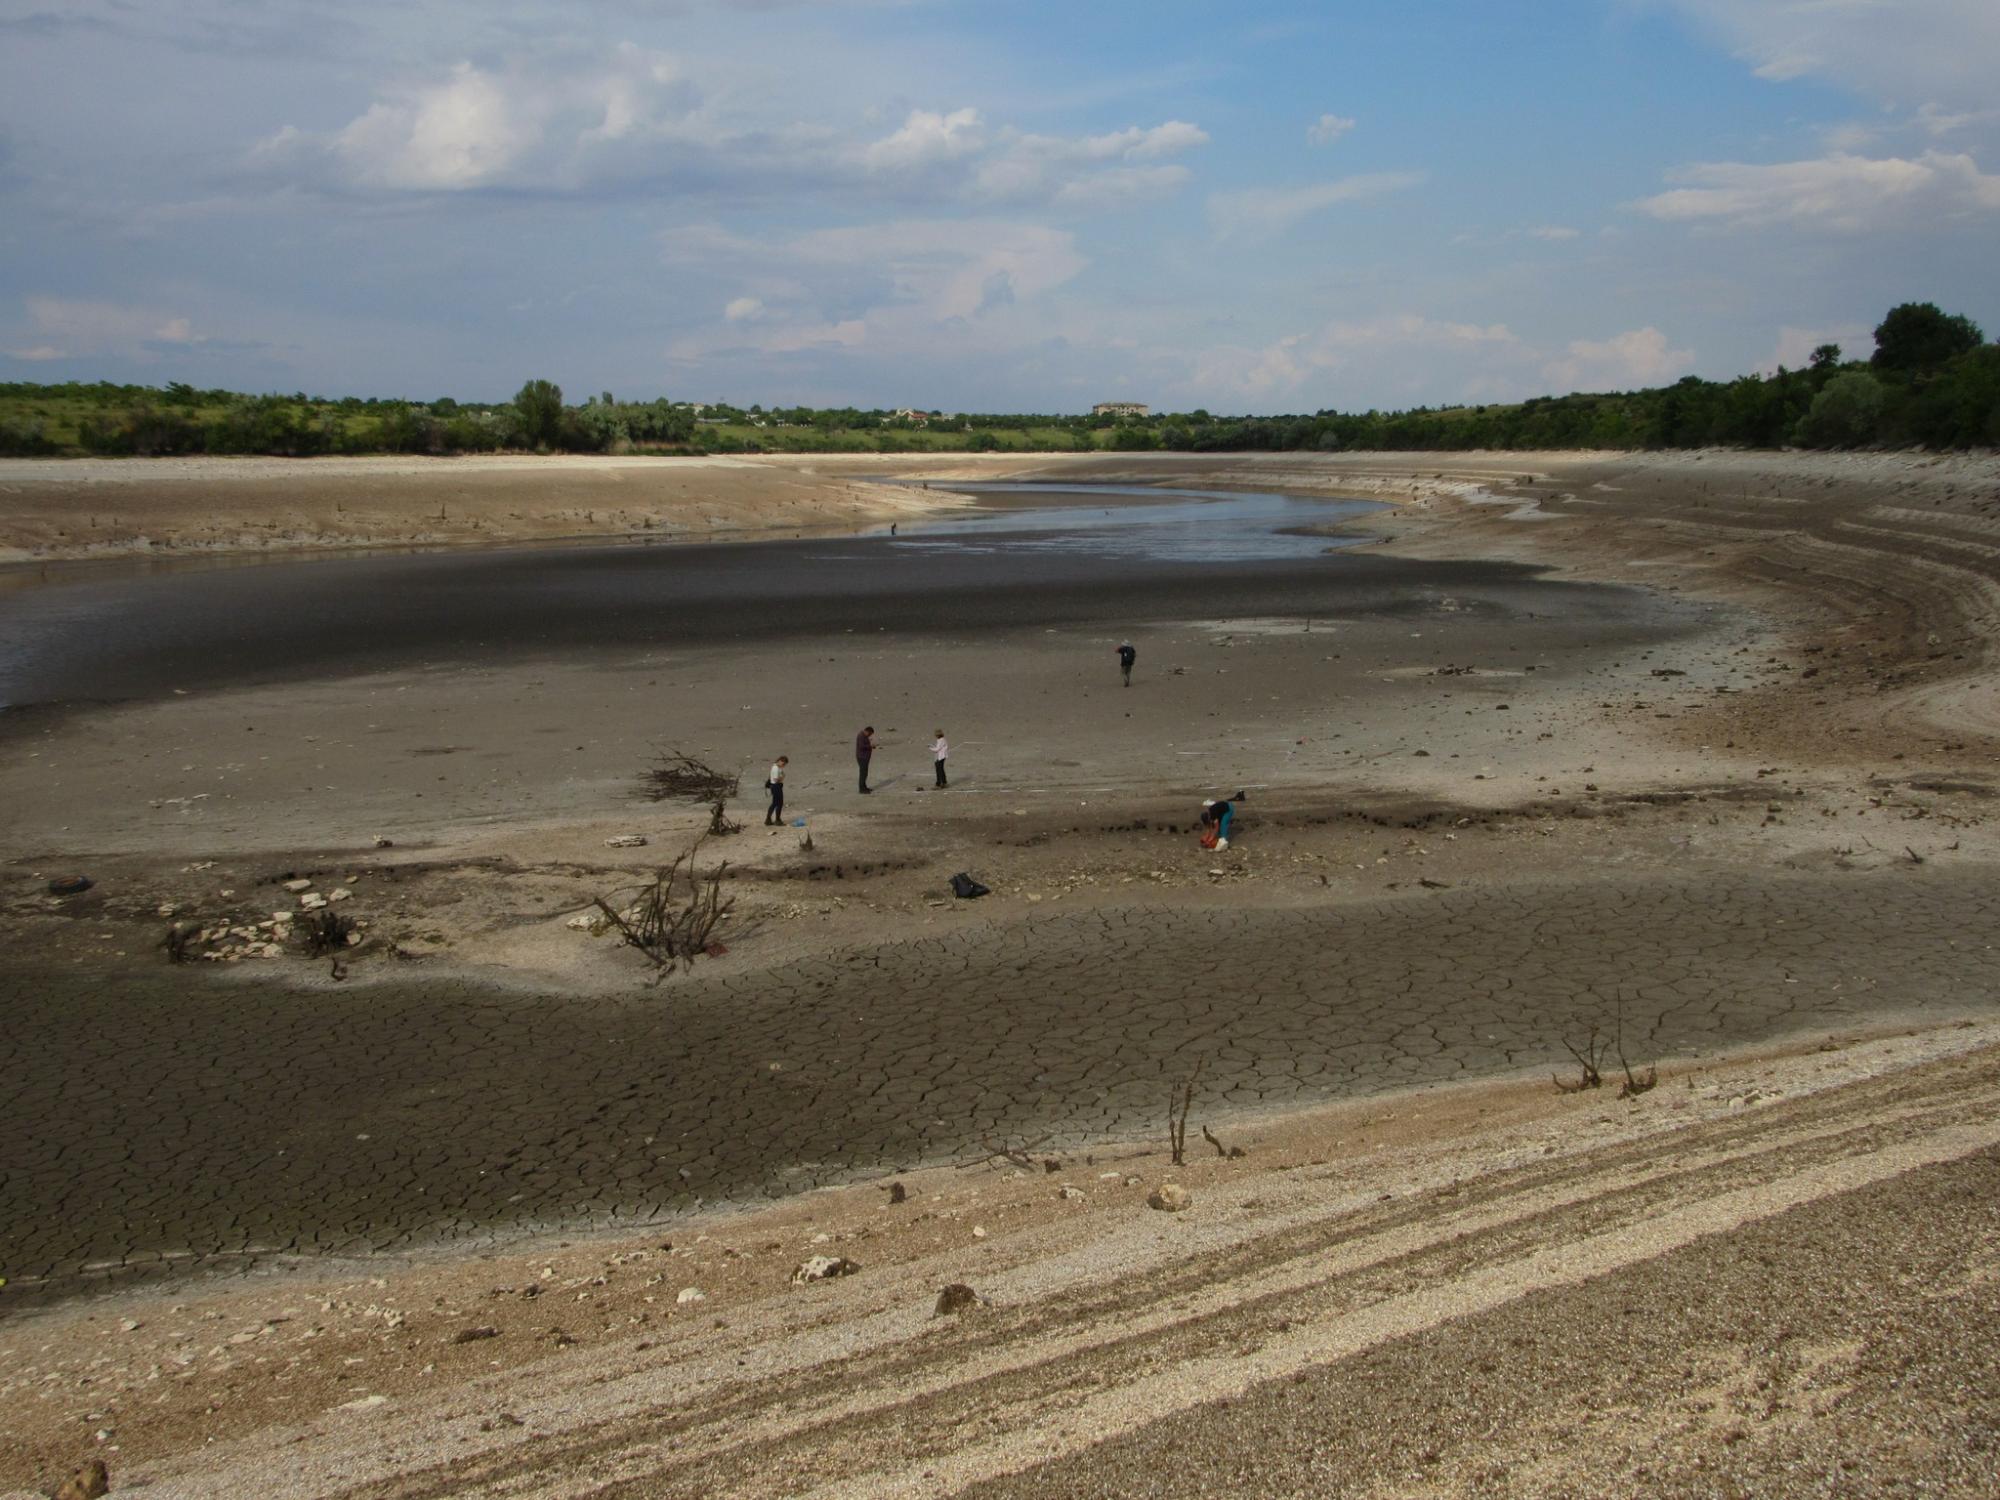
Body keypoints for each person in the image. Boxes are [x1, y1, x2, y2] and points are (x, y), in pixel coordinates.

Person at [764, 755, 788, 825]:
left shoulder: (777, 767)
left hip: (776, 786)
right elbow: (776, 779)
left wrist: (782, 777)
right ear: (780, 761)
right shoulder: (775, 768)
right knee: (778, 803)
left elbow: (783, 775)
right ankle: (776, 820)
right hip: (776, 786)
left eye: (784, 764)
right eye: (783, 764)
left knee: (775, 803)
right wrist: (781, 778)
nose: (783, 765)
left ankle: (769, 820)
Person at [855, 726, 876, 793]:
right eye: (869, 734)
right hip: (862, 757)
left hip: (865, 757)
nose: (870, 735)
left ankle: (864, 787)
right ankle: (861, 789)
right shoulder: (861, 736)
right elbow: (861, 746)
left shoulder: (864, 736)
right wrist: (870, 746)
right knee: (863, 773)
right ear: (867, 731)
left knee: (865, 773)